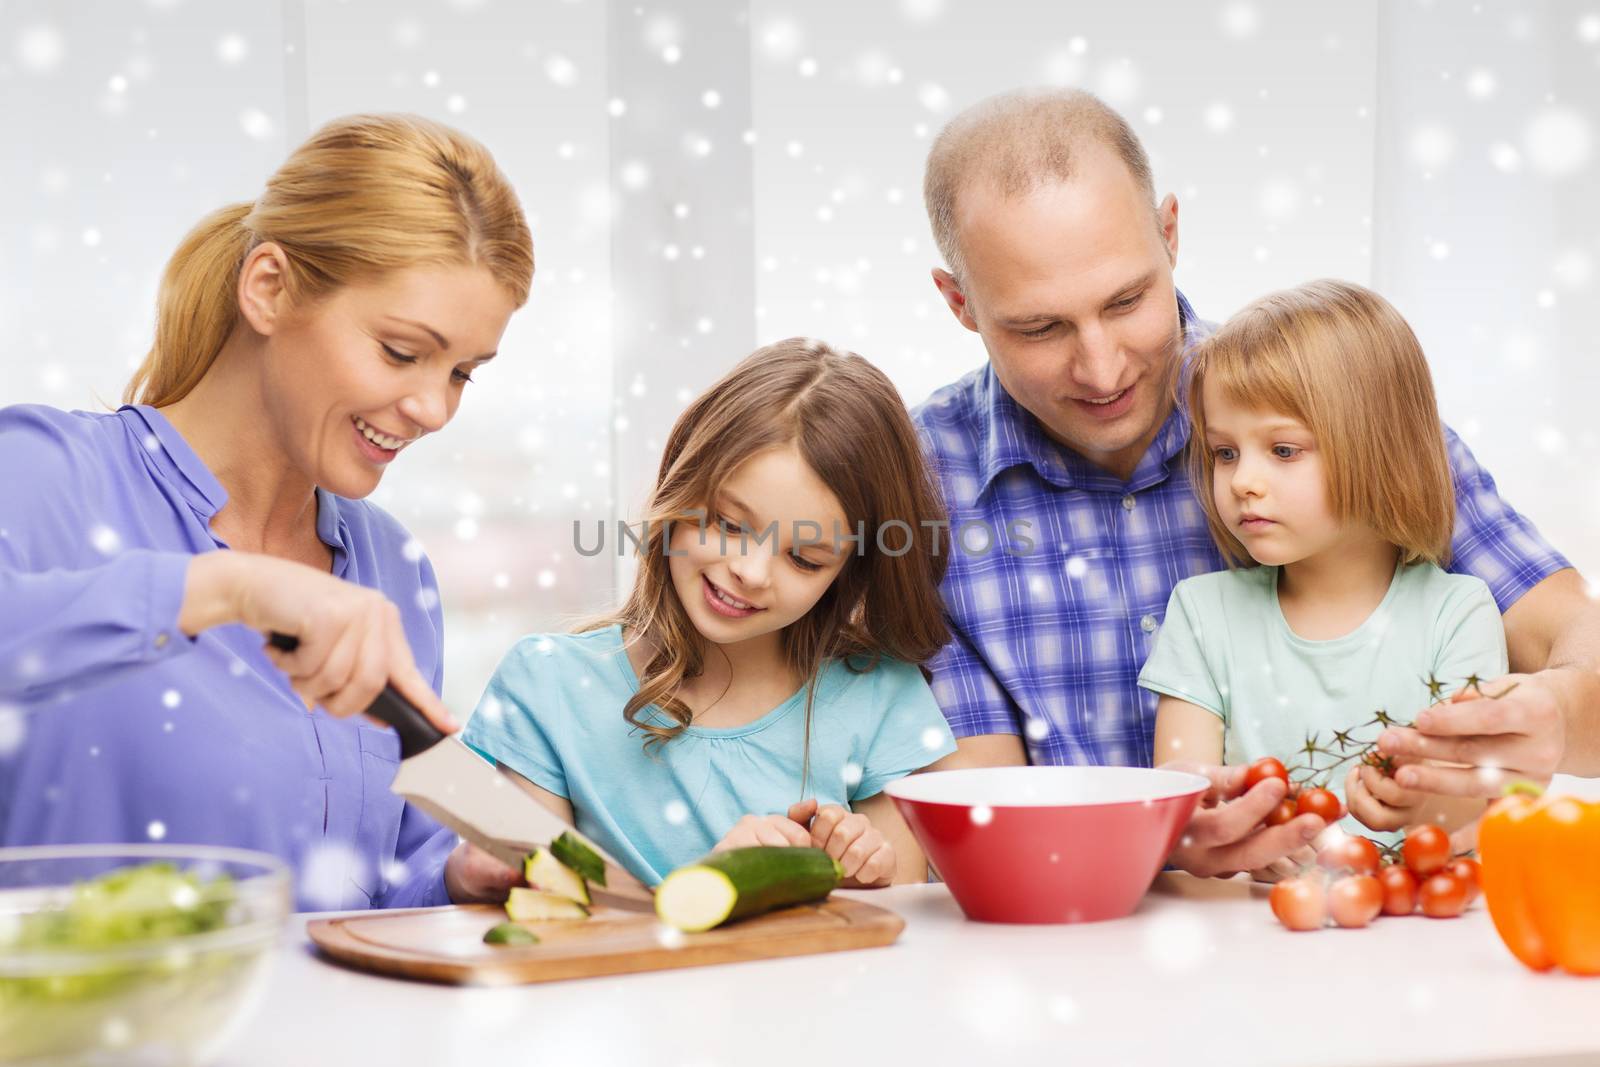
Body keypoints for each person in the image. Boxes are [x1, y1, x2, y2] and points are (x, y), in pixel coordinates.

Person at [912, 88, 1597, 878]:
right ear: (960, 302)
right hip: (1080, 951)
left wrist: (1562, 712)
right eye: (1041, 327)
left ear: (1170, 233)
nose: (1102, 367)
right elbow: (980, 817)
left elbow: (1573, 631)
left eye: (1128, 300)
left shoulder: (1332, 406)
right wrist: (1155, 834)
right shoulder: (918, 485)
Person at [0, 113, 534, 910]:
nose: (433, 407)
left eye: (463, 372)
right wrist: (228, 589)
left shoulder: (394, 569)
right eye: (400, 351)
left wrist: (457, 874)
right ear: (269, 288)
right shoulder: (44, 477)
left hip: (335, 1037)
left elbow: (377, 879)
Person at [461, 339, 956, 886]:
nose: (751, 571)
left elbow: (893, 927)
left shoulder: (879, 695)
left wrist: (860, 873)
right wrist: (718, 883)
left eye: (803, 558)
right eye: (729, 524)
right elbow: (546, 911)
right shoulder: (549, 685)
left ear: (848, 572)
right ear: (679, 483)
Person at [1139, 280, 1507, 877]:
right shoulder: (1202, 613)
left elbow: (1478, 805)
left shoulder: (1457, 612)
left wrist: (1416, 797)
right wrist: (1206, 826)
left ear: (1380, 450)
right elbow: (1183, 798)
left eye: (1283, 450)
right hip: (1251, 931)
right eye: (1225, 452)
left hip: (1413, 936)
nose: (1241, 482)